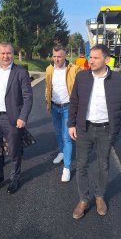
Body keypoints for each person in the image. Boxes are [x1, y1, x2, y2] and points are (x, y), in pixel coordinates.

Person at [68, 44, 121, 220]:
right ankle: (84, 199)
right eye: (90, 57)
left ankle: (99, 197)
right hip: (84, 128)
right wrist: (71, 124)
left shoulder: (118, 80)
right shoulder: (82, 77)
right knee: (81, 165)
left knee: (103, 165)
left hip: (106, 130)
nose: (91, 61)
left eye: (95, 57)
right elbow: (74, 102)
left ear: (106, 60)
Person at [0, 42, 33, 194]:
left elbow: (28, 97)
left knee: (15, 150)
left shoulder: (20, 72)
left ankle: (14, 178)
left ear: (12, 54)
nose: (5, 56)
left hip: (13, 118)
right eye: (2, 53)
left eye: (8, 53)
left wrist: (23, 117)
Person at [45, 45, 81, 182]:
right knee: (58, 133)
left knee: (67, 137)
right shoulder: (49, 69)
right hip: (54, 107)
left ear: (65, 55)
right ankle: (61, 152)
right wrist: (47, 101)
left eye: (59, 56)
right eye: (54, 56)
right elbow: (48, 87)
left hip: (68, 108)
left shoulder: (74, 69)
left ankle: (66, 167)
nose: (56, 59)